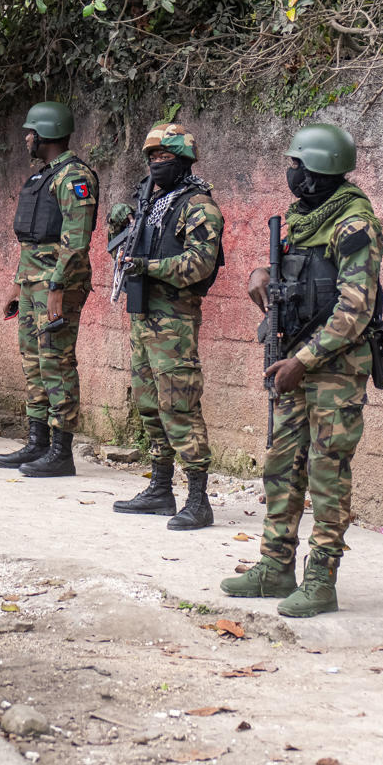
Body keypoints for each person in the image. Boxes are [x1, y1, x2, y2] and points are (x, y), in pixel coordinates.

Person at [221, 123, 383, 617]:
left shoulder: (354, 226)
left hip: (332, 368)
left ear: (319, 170)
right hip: (293, 361)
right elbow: (299, 278)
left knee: (326, 472)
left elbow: (355, 310)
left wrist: (304, 361)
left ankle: (321, 579)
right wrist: (262, 275)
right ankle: (274, 567)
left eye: (297, 164)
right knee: (281, 466)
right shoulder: (305, 218)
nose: (291, 172)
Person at [106, 123, 225, 530]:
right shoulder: (152, 202)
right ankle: (160, 488)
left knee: (180, 407)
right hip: (143, 318)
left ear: (183, 162)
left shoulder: (199, 206)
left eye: (165, 158)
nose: (157, 164)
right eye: (152, 158)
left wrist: (148, 267)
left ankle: (198, 499)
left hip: (174, 323)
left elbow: (199, 263)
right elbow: (127, 249)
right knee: (148, 404)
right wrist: (118, 226)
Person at [0, 101, 99, 478]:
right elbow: (32, 243)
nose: (26, 138)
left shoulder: (74, 179)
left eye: (30, 132)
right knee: (33, 362)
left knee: (56, 363)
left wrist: (56, 287)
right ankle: (37, 441)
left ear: (45, 134)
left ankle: (61, 451)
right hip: (32, 284)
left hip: (59, 287)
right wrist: (15, 284)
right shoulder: (45, 177)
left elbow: (76, 243)